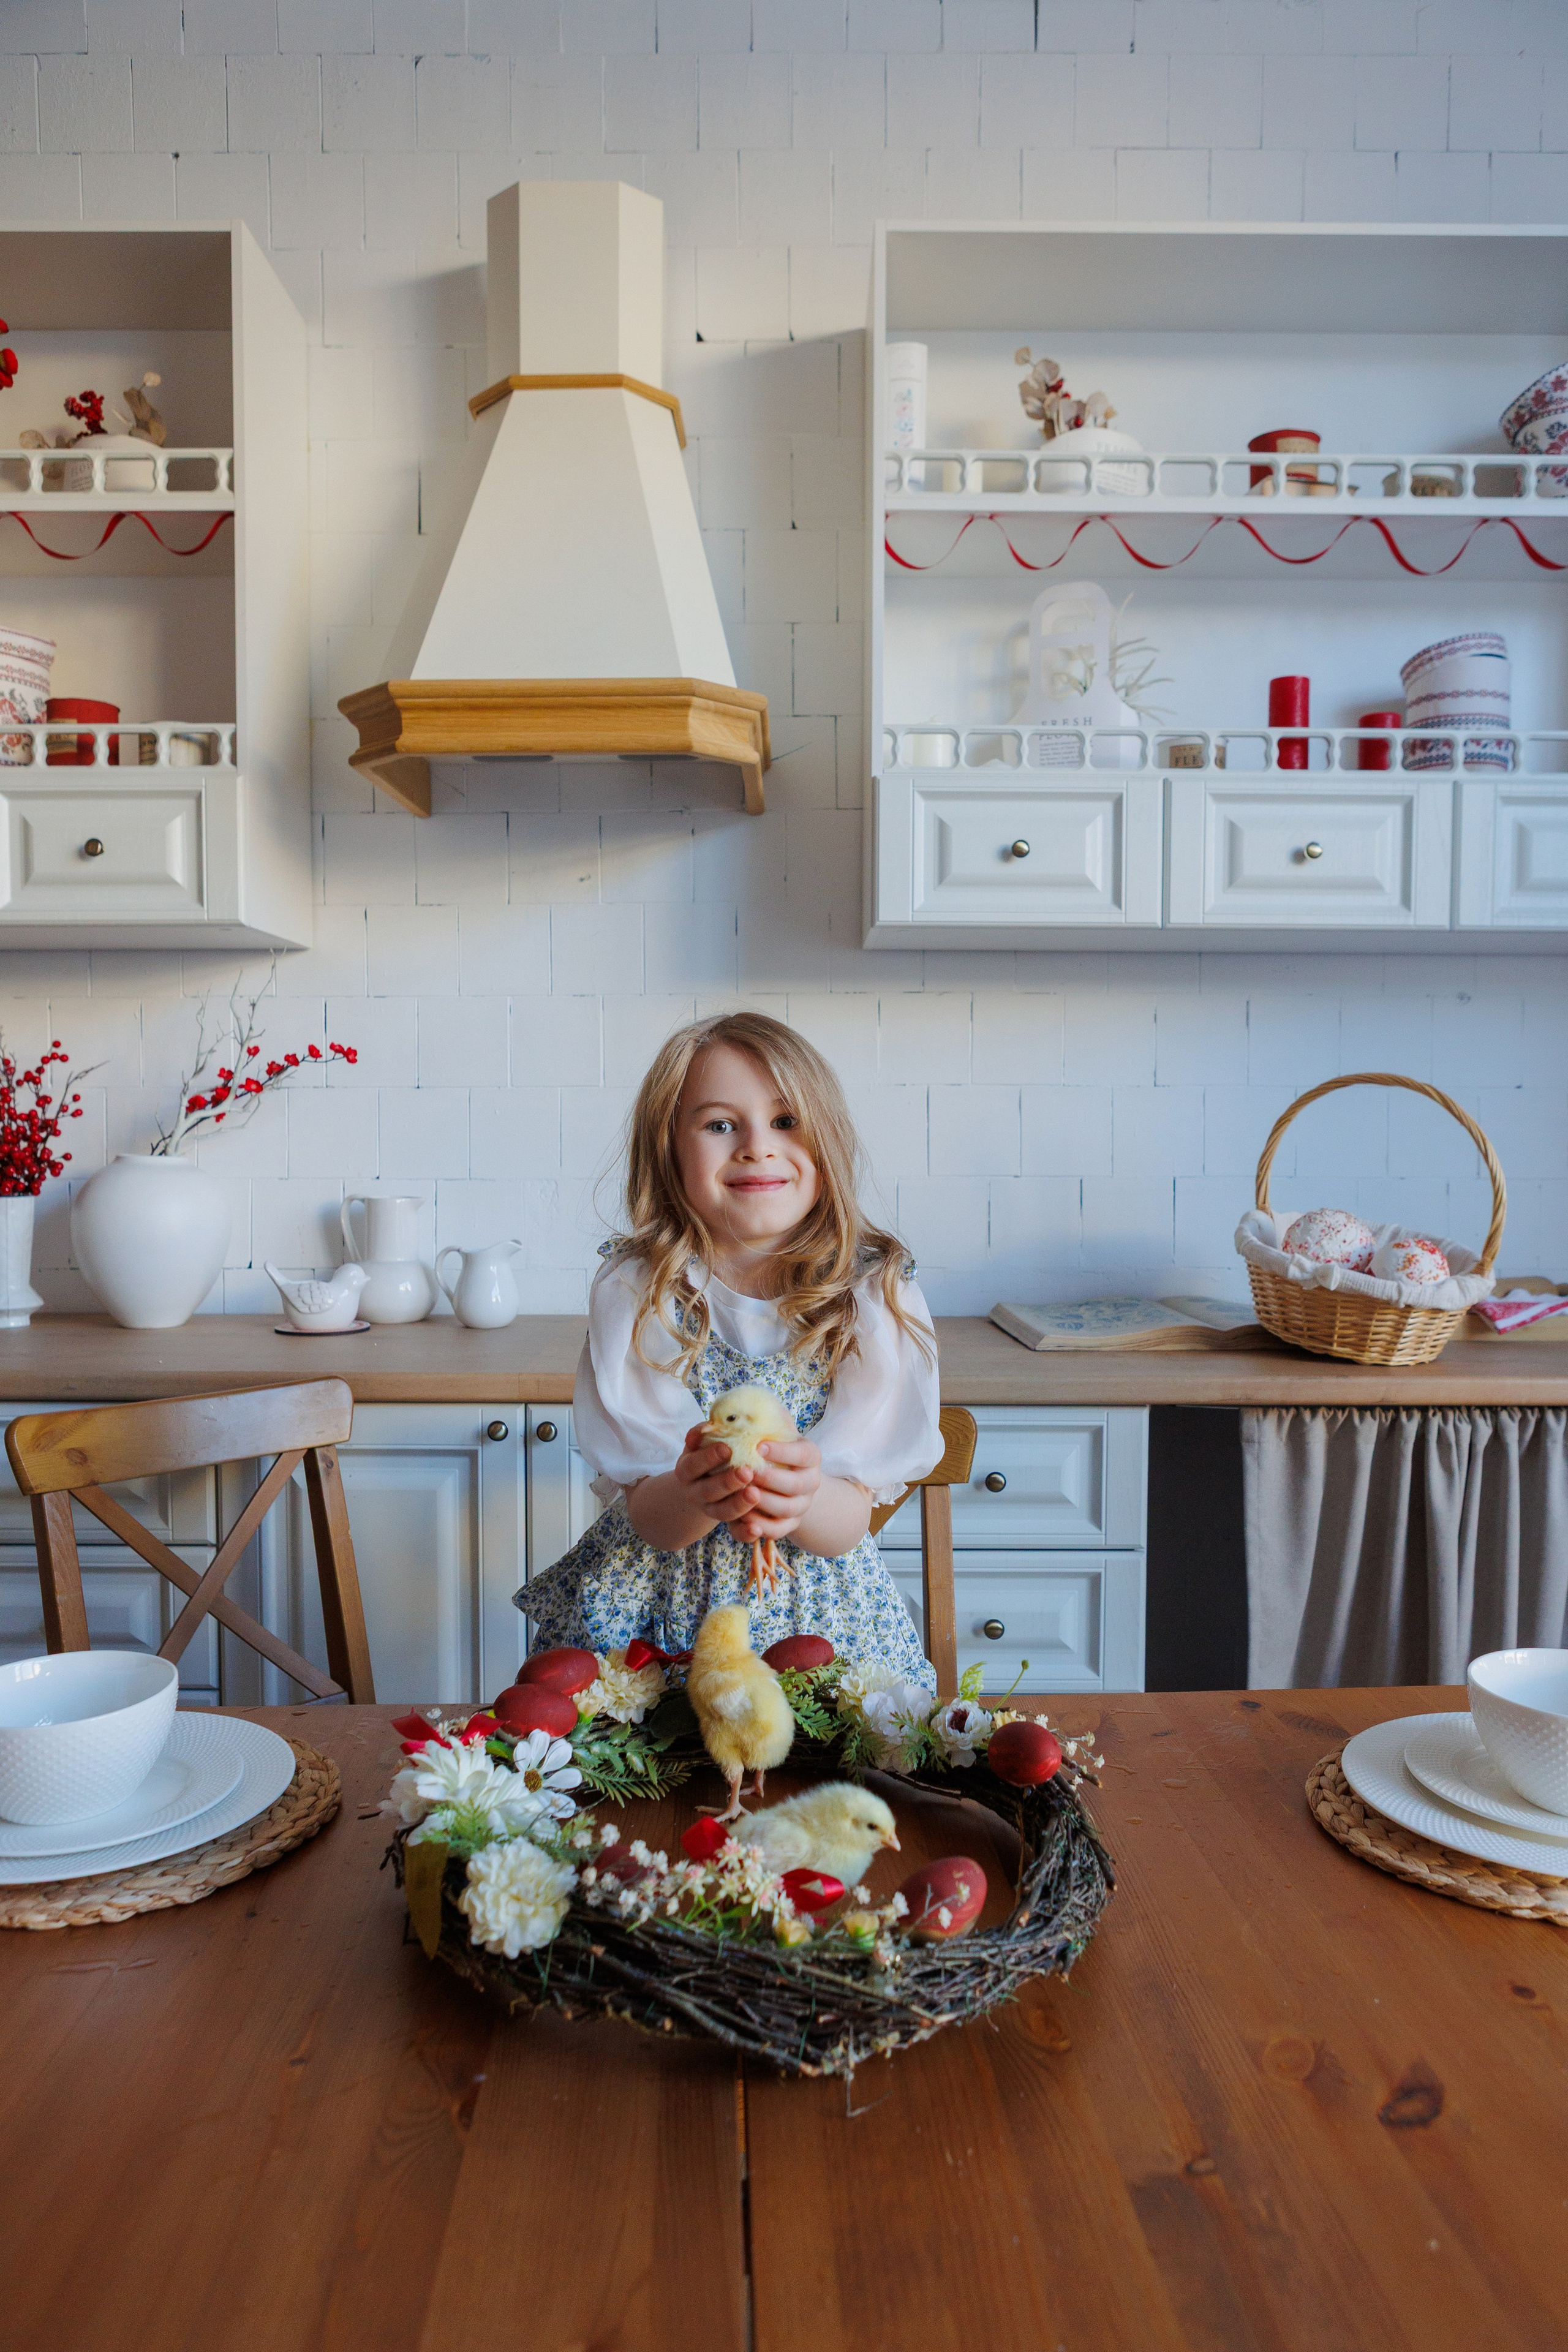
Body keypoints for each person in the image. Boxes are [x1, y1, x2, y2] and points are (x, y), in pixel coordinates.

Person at [518, 1011, 942, 1685]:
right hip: (651, 1629)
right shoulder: (639, 1289)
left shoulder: (868, 1294)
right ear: (669, 1149)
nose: (755, 1147)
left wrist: (800, 1498)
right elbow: (654, 1520)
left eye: (784, 1122)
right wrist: (697, 1490)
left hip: (814, 1623)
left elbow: (846, 1524)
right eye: (719, 1125)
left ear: (825, 1140)